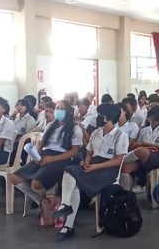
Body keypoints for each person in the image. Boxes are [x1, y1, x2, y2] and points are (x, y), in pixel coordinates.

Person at [52, 103, 129, 240]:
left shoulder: (120, 135)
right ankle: (66, 211)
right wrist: (87, 161)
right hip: (94, 165)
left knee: (74, 179)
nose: (98, 118)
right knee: (69, 171)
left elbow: (118, 160)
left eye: (101, 115)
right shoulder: (96, 133)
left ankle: (67, 223)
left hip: (108, 170)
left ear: (108, 118)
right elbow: (89, 152)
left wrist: (96, 167)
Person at [11, 100, 83, 206]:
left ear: (70, 112)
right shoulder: (51, 126)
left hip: (60, 159)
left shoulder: (75, 129)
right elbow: (41, 143)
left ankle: (51, 200)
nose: (59, 111)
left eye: (62, 109)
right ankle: (42, 201)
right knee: (15, 178)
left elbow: (74, 151)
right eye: (57, 108)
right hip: (44, 156)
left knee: (36, 184)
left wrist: (52, 159)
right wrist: (37, 155)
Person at [122, 106, 159, 192]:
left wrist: (147, 144)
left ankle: (120, 160)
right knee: (125, 168)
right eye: (150, 119)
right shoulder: (144, 131)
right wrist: (136, 145)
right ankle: (126, 195)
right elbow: (136, 147)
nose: (152, 122)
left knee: (141, 150)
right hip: (142, 158)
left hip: (158, 157)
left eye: (155, 120)